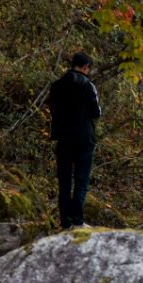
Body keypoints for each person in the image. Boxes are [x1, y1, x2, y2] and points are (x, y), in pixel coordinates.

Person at [48, 51, 101, 228]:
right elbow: (96, 113)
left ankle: (65, 222)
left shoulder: (56, 85)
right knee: (81, 180)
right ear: (85, 67)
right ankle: (77, 221)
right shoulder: (88, 86)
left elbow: (53, 109)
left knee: (64, 181)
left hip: (63, 138)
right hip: (84, 138)